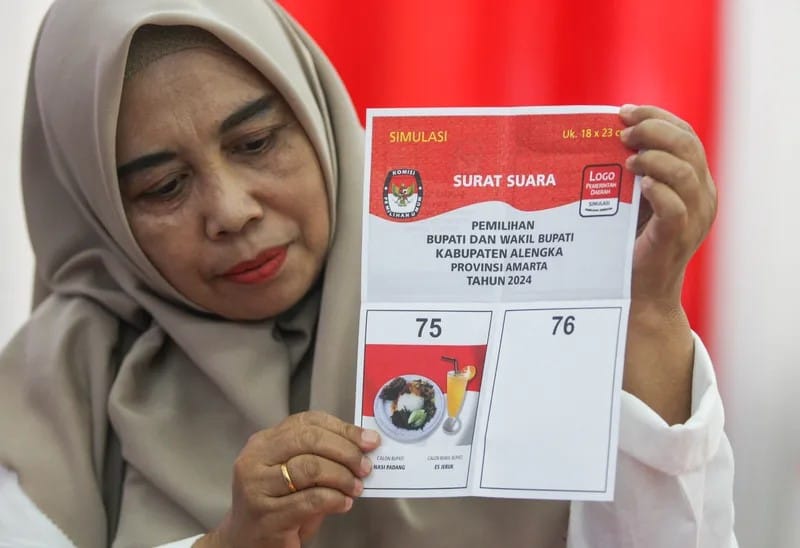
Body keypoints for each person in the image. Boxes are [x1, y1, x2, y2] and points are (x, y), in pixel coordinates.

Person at [0, 1, 735, 547]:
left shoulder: (496, 282)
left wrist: (648, 311)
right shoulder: (56, 384)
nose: (230, 211)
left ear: (315, 115)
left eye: (255, 142)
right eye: (163, 187)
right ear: (99, 207)